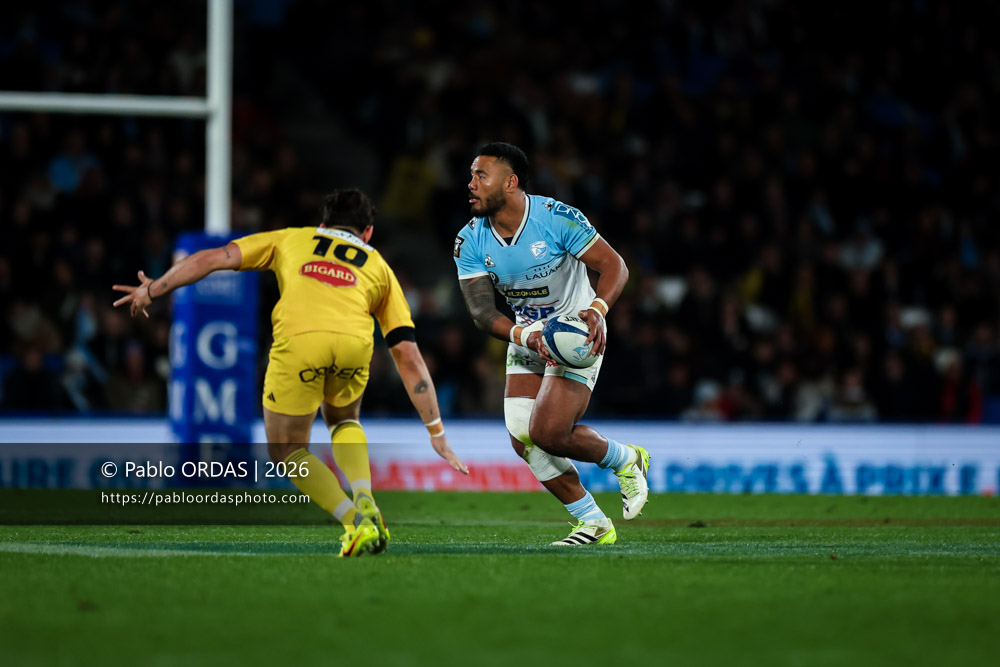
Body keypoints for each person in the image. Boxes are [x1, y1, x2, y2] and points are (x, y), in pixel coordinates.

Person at [113, 188, 467, 556]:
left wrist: (153, 289)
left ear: (322, 225)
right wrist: (435, 429)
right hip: (353, 345)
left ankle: (353, 520)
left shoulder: (291, 238)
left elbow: (212, 259)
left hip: (301, 342)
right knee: (344, 419)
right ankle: (365, 498)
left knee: (287, 450)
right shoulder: (380, 267)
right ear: (368, 233)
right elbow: (408, 356)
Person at [453, 142, 649, 546]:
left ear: (510, 182)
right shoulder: (470, 239)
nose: (470, 184)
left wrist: (597, 308)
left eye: (480, 175)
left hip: (576, 332)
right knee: (521, 437)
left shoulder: (556, 219)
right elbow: (480, 311)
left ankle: (627, 460)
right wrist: (526, 335)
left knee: (546, 431)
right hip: (527, 335)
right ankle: (593, 523)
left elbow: (615, 265)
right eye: (471, 174)